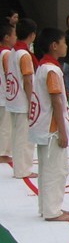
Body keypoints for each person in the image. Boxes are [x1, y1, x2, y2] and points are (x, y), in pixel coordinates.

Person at [29, 28, 69, 221]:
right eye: (63, 42)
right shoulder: (52, 70)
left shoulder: (43, 67)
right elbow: (56, 100)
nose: (66, 46)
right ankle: (52, 210)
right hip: (53, 129)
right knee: (57, 170)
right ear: (54, 46)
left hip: (44, 127)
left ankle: (46, 207)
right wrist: (63, 132)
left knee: (46, 169)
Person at [7, 18, 38, 178]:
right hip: (22, 100)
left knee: (17, 135)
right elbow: (27, 80)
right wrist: (32, 99)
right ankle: (23, 169)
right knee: (24, 137)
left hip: (13, 98)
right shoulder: (24, 55)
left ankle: (19, 168)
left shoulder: (13, 51)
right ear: (32, 35)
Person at [0, 22, 14, 164]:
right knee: (5, 125)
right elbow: (8, 74)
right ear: (6, 37)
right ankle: (3, 153)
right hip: (4, 94)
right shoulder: (6, 54)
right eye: (14, 35)